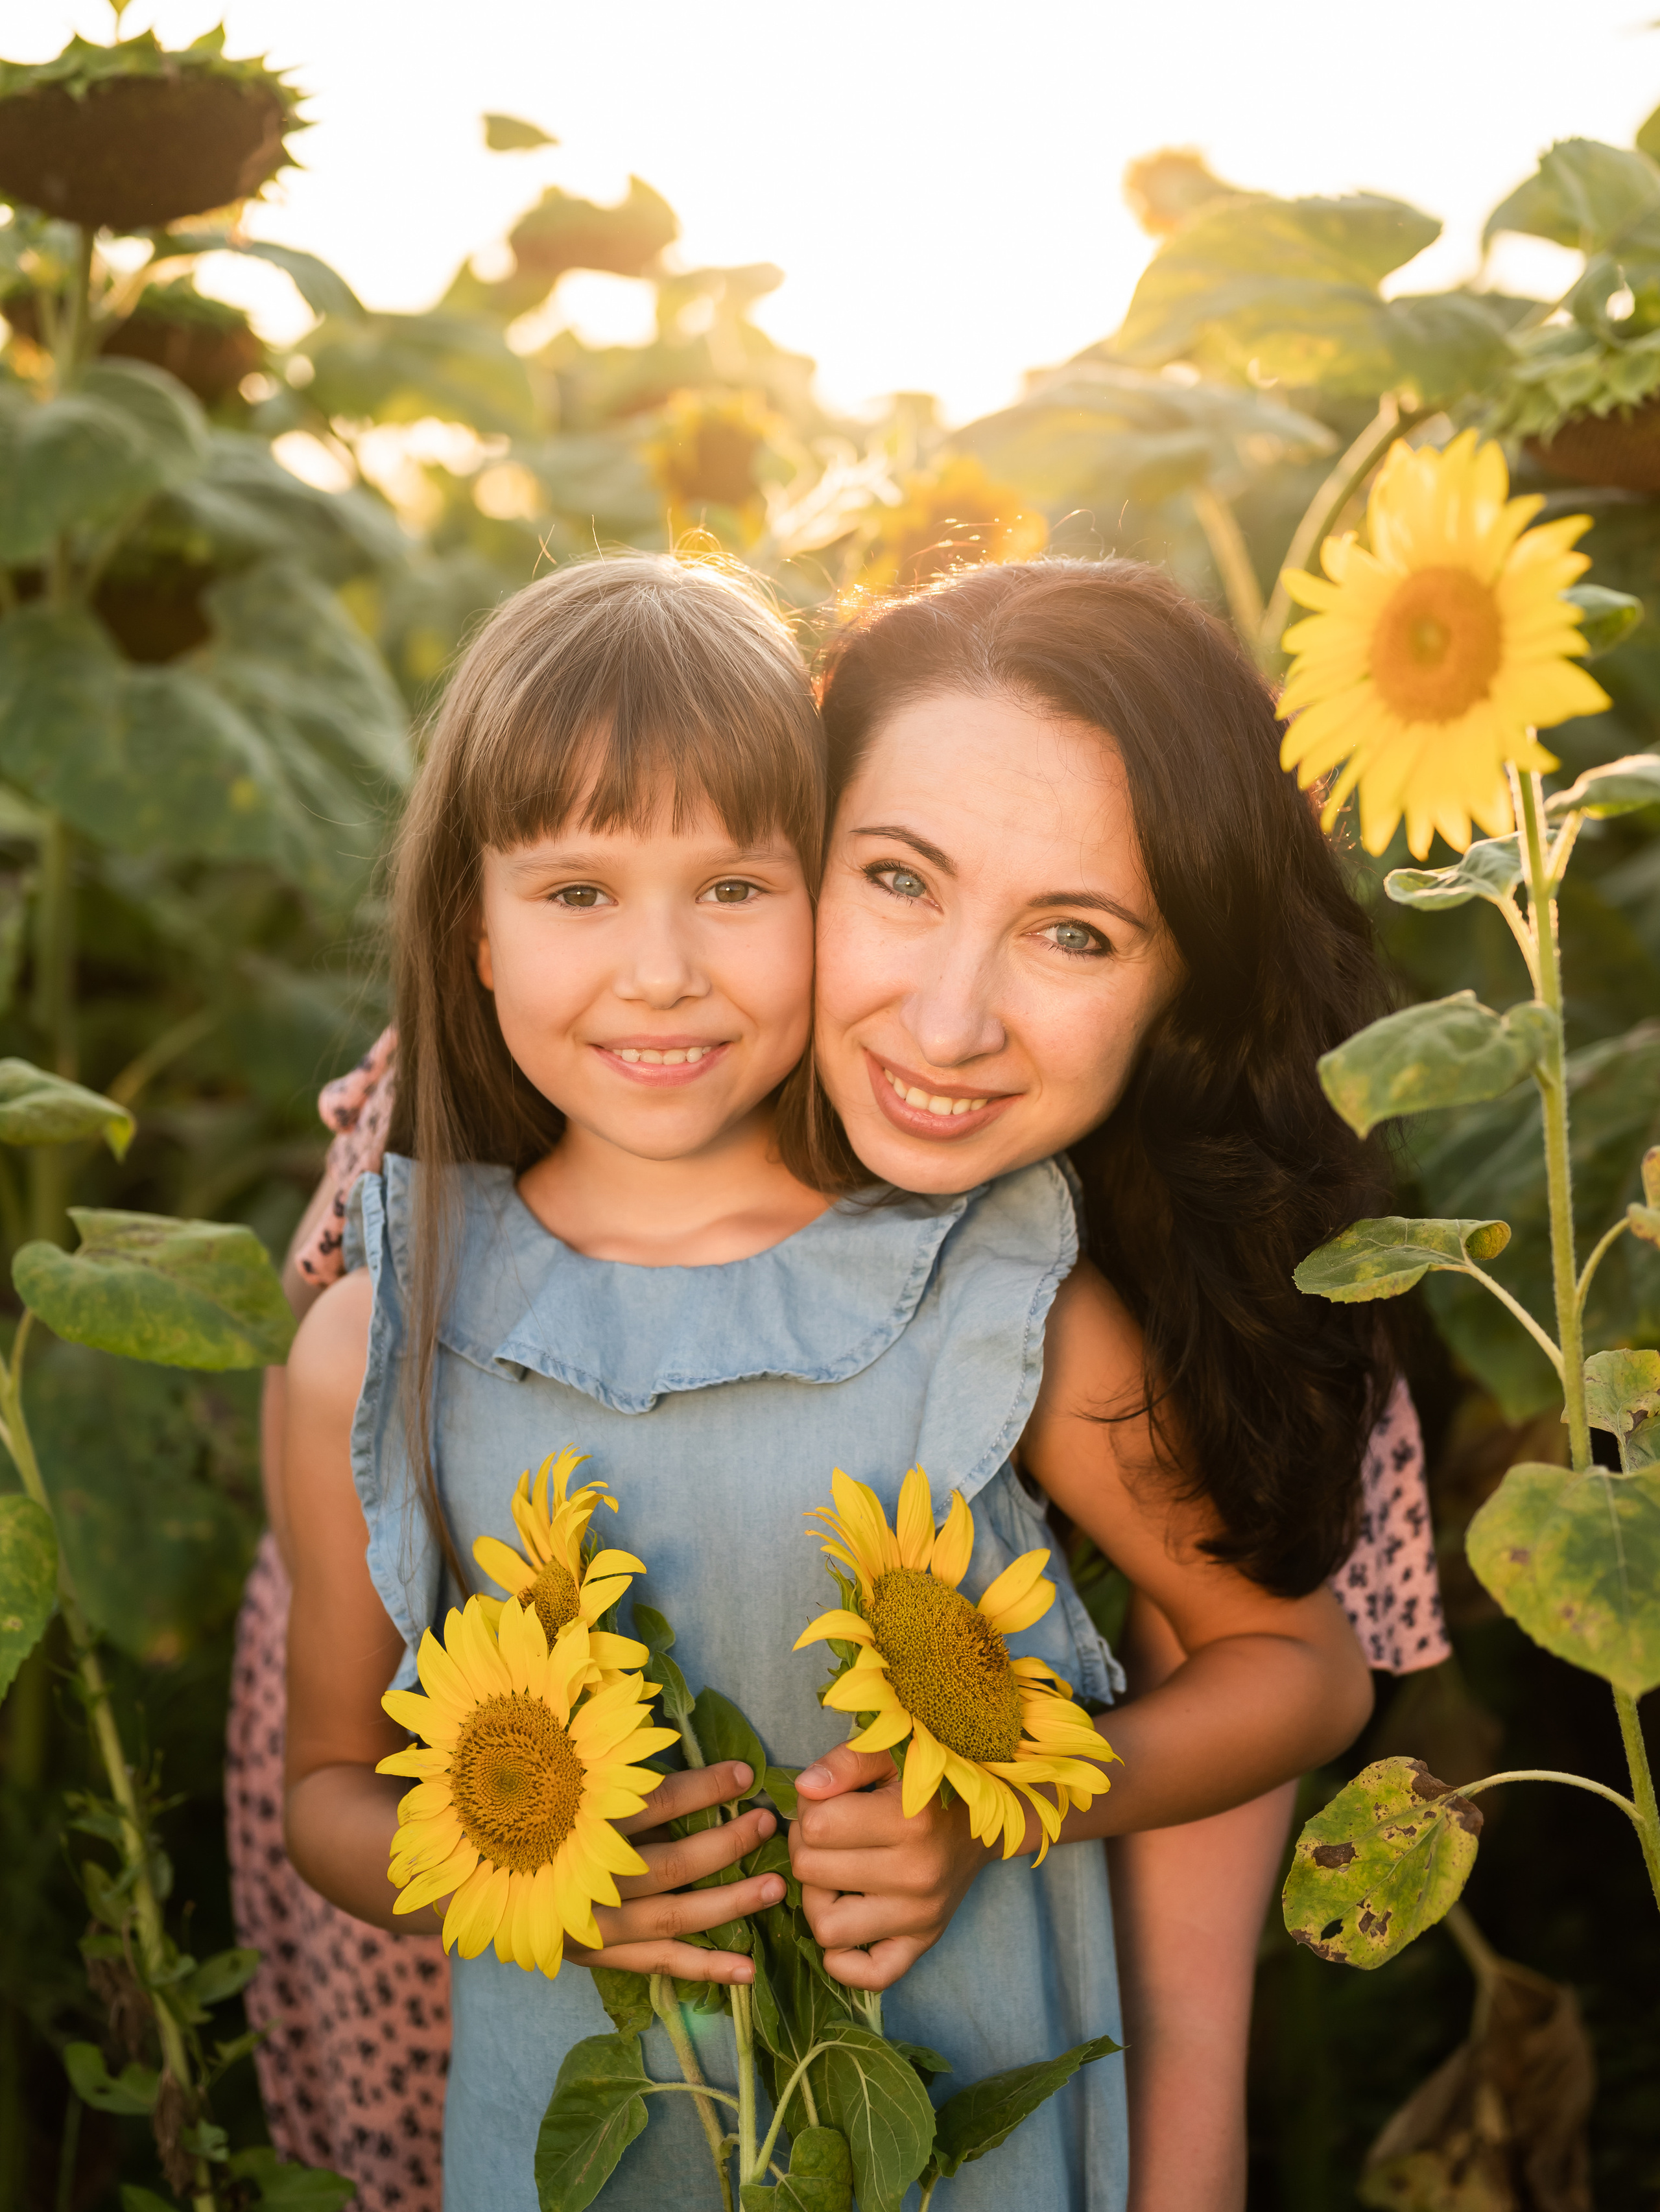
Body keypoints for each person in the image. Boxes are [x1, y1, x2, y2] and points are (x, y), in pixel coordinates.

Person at [255, 550, 1441, 2211]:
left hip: (959, 2118)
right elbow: (325, 1785)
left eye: (733, 888)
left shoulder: (1010, 1292)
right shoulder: (381, 1314)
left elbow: (1273, 1702)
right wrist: (526, 1871)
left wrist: (1006, 1801)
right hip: (562, 2101)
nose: (659, 968)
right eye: (900, 879)